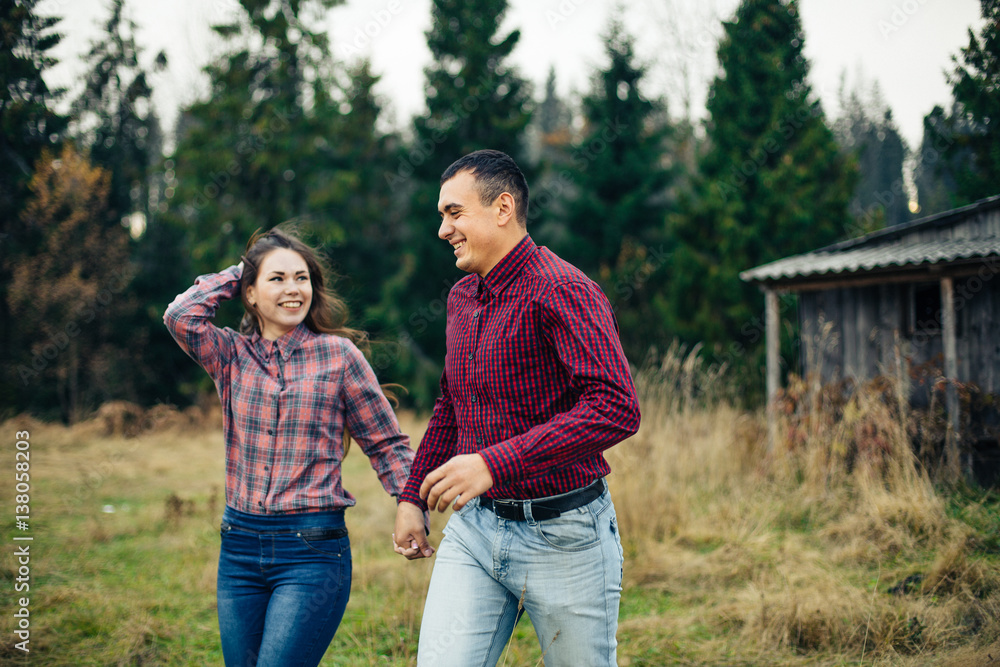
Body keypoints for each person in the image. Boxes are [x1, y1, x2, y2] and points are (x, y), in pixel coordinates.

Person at [392, 149, 641, 666]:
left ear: (502, 208)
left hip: (566, 535)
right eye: (442, 215)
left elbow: (615, 406)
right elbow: (451, 405)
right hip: (475, 530)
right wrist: (412, 496)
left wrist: (492, 463)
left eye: (454, 213)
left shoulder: (564, 289)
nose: (443, 229)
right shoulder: (462, 297)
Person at [164, 225, 414, 667]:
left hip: (312, 551)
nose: (293, 289)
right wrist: (240, 270)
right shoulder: (230, 356)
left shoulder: (338, 356)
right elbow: (180, 316)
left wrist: (410, 503)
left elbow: (386, 442)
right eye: (277, 279)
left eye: (301, 278)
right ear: (251, 294)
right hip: (238, 549)